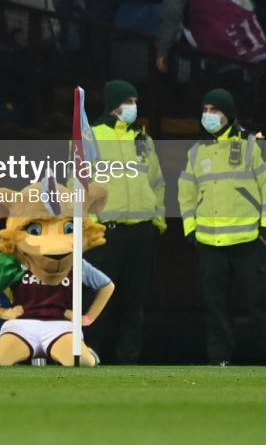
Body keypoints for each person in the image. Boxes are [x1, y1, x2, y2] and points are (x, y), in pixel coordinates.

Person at [178, 88, 266, 366]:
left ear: (228, 114)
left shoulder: (253, 144)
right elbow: (186, 193)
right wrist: (191, 230)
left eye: (215, 110)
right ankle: (219, 360)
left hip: (248, 240)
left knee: (262, 303)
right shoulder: (196, 152)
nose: (209, 116)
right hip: (209, 243)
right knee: (215, 307)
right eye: (205, 110)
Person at [83, 80, 164, 365]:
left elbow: (157, 183)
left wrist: (157, 222)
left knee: (134, 302)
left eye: (135, 101)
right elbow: (76, 183)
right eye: (128, 101)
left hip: (141, 232)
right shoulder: (88, 137)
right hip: (106, 232)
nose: (133, 107)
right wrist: (90, 225)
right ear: (113, 103)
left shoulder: (142, 140)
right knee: (97, 301)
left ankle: (129, 360)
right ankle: (90, 356)